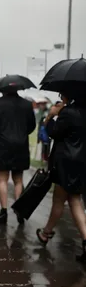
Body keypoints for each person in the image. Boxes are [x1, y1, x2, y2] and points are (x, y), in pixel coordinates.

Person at [36, 93, 86, 262]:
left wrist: (51, 115)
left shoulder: (68, 113)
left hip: (66, 163)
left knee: (60, 200)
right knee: (73, 200)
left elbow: (54, 133)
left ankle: (46, 233)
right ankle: (46, 232)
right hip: (81, 162)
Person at [0, 88, 36, 224]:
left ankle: (3, 212)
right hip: (21, 145)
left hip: (3, 145)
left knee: (2, 179)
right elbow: (32, 125)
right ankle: (19, 211)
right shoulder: (27, 104)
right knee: (18, 180)